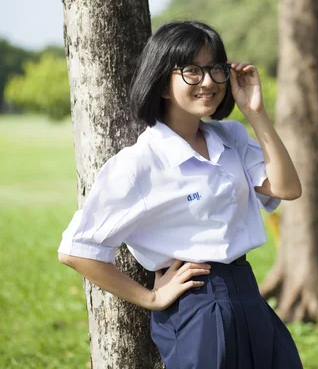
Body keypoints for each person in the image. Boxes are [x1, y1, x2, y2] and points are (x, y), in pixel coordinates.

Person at [58, 21, 304, 369]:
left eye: (215, 69)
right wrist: (151, 297)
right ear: (162, 83)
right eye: (192, 71)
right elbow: (76, 250)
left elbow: (286, 188)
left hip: (248, 293)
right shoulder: (140, 163)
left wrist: (255, 113)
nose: (208, 82)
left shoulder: (229, 136)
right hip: (198, 307)